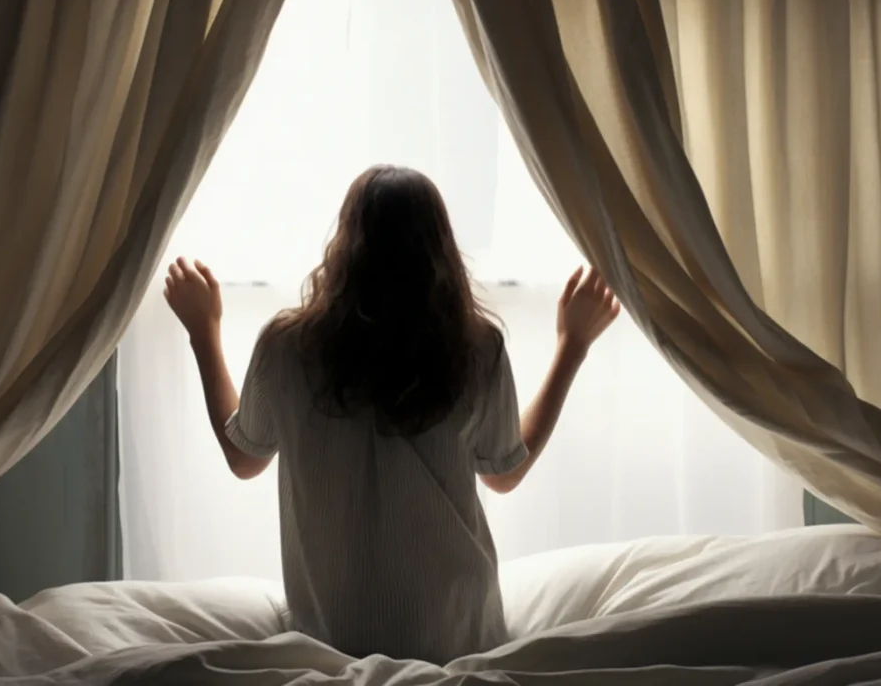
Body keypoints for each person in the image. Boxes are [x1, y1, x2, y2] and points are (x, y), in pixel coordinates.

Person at [162, 165, 620, 664]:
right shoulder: (475, 348)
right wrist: (571, 346)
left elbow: (244, 456)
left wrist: (203, 331)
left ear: (344, 245)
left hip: (330, 635)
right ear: (440, 251)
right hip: (456, 633)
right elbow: (504, 471)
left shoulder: (287, 346)